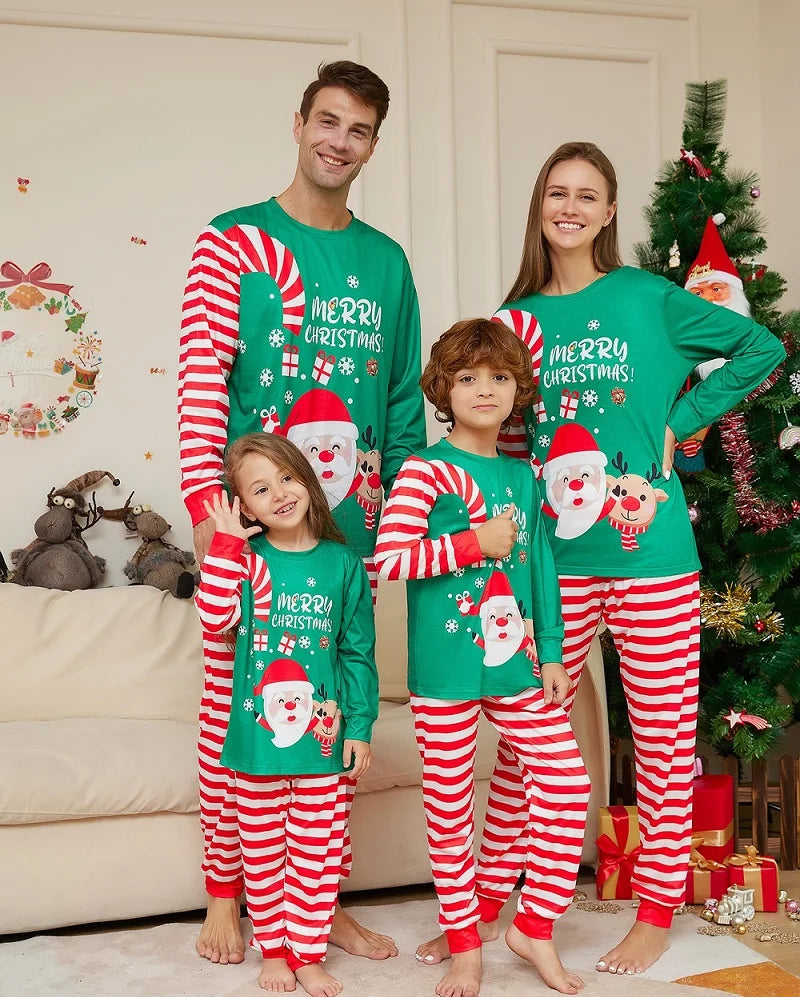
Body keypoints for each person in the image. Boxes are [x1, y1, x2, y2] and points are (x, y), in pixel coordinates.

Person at [415, 141, 786, 978]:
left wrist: (687, 415)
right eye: (557, 193)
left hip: (651, 554)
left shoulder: (650, 299)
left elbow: (760, 349)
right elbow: (502, 443)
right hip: (550, 560)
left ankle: (655, 913)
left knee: (659, 739)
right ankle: (478, 915)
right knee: (522, 745)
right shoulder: (514, 323)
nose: (571, 208)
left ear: (610, 212)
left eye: (588, 195)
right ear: (540, 207)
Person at [178, 59, 425, 965]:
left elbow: (400, 408)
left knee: (332, 725)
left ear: (372, 145)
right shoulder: (232, 242)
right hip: (249, 527)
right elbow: (204, 387)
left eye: (359, 130)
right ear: (298, 123)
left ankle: (319, 909)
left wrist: (400, 523)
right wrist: (213, 521)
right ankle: (225, 896)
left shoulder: (387, 262)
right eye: (328, 121)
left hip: (347, 535)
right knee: (232, 717)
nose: (339, 141)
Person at [375, 318, 591, 997]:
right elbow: (390, 557)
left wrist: (552, 653)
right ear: (443, 388)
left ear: (518, 389)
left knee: (567, 784)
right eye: (467, 377)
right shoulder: (424, 469)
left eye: (499, 377)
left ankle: (535, 925)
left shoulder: (523, 475)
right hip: (444, 673)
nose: (484, 389)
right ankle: (467, 946)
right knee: (449, 811)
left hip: (516, 664)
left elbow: (542, 571)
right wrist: (471, 543)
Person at [195, 432, 379, 996]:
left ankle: (307, 953)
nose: (278, 493)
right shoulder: (246, 561)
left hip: (324, 742)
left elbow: (356, 651)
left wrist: (362, 725)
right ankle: (273, 950)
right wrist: (226, 546)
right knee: (264, 853)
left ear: (308, 479)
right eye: (259, 488)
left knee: (316, 858)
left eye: (287, 478)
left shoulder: (343, 564)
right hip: (256, 743)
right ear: (244, 507)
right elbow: (214, 620)